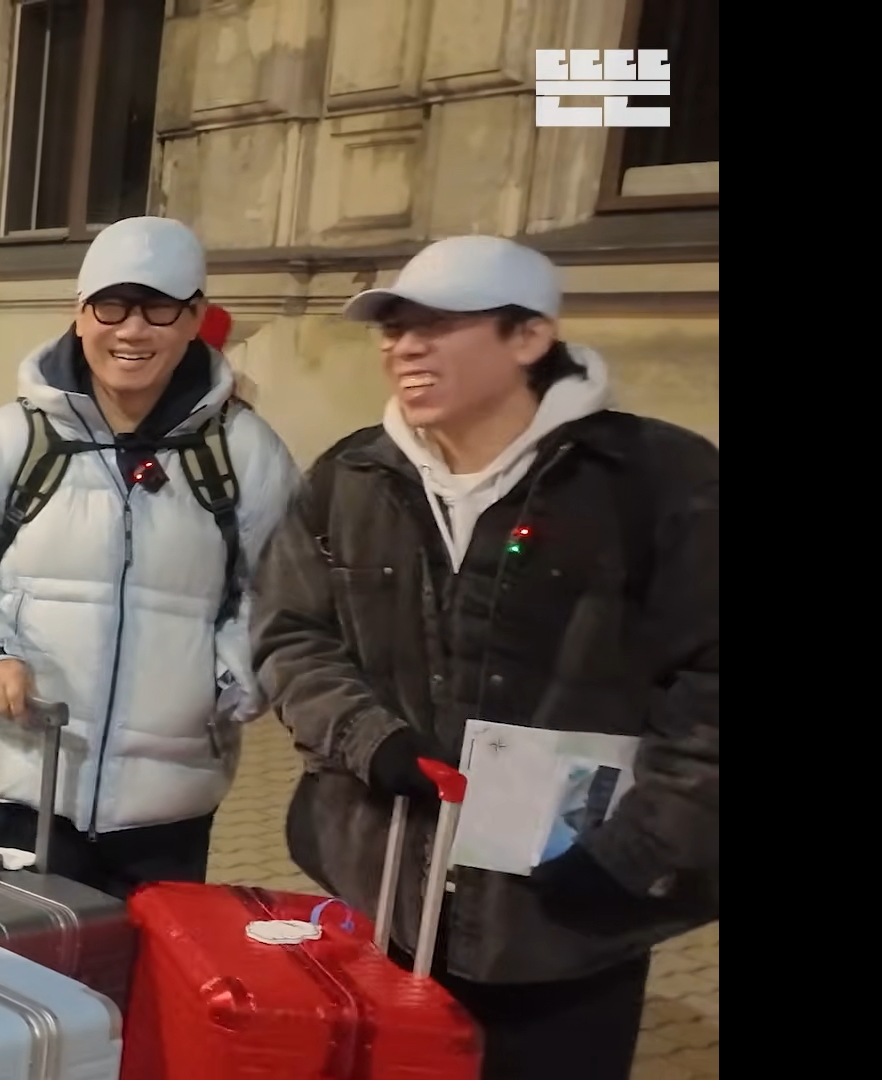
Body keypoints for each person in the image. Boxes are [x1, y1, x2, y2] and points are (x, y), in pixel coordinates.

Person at [252, 235, 718, 1080]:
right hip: (385, 891)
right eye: (394, 328)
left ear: (529, 337)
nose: (405, 347)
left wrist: (637, 852)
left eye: (437, 325)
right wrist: (370, 741)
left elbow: (708, 687)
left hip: (569, 917)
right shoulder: (351, 476)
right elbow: (289, 635)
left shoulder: (658, 481)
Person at [0, 216, 300, 899]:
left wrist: (228, 676)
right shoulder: (7, 442)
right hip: (16, 781)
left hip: (168, 801)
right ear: (80, 315)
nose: (132, 330)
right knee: (15, 961)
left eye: (159, 309)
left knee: (144, 965)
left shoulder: (246, 454)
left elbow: (284, 590)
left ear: (195, 319)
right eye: (112, 306)